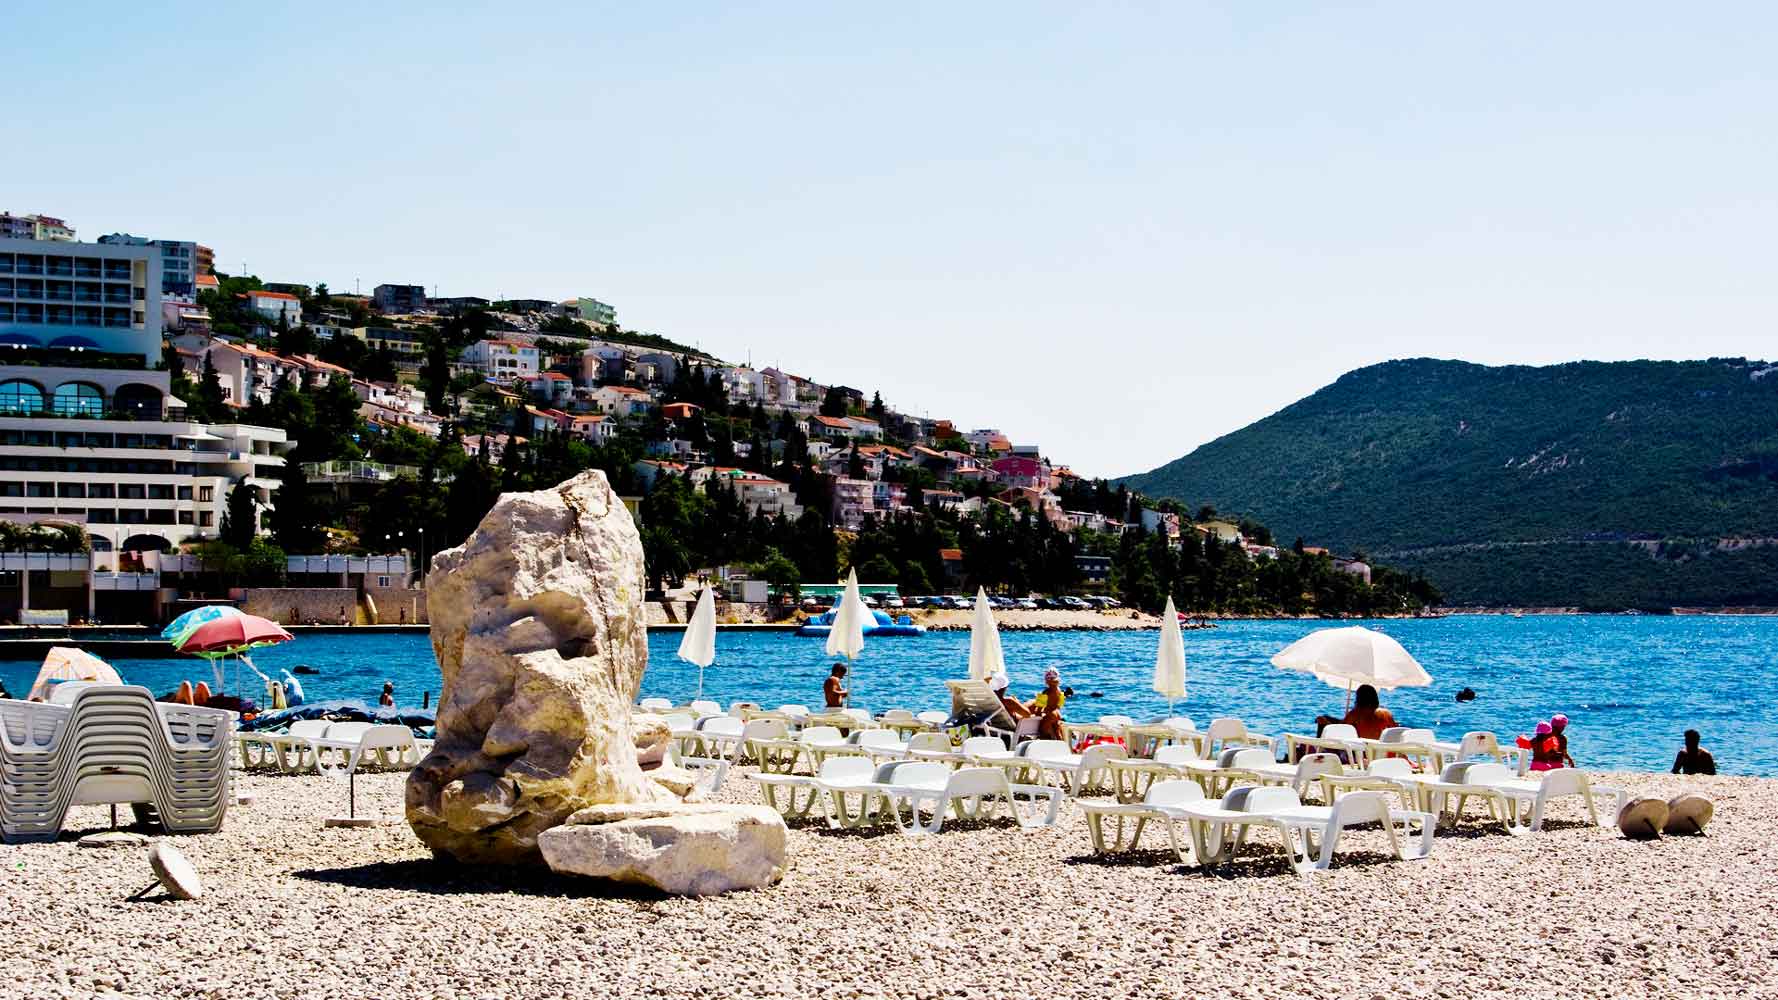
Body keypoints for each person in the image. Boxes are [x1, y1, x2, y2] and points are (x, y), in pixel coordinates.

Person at [1315, 683, 1396, 740]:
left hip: (1361, 752)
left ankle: (1318, 754)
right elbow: (1394, 731)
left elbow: (1340, 730)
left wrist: (1325, 723)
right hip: (1381, 750)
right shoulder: (1387, 713)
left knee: (1322, 721)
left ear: (1360, 698)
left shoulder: (1356, 713)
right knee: (1326, 717)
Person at [1027, 668, 1066, 741]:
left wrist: (1039, 713)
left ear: (1047, 681)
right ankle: (1063, 747)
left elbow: (1038, 710)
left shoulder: (1046, 692)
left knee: (1042, 732)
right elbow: (1059, 705)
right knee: (1058, 734)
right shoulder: (1060, 691)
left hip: (1050, 715)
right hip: (1057, 714)